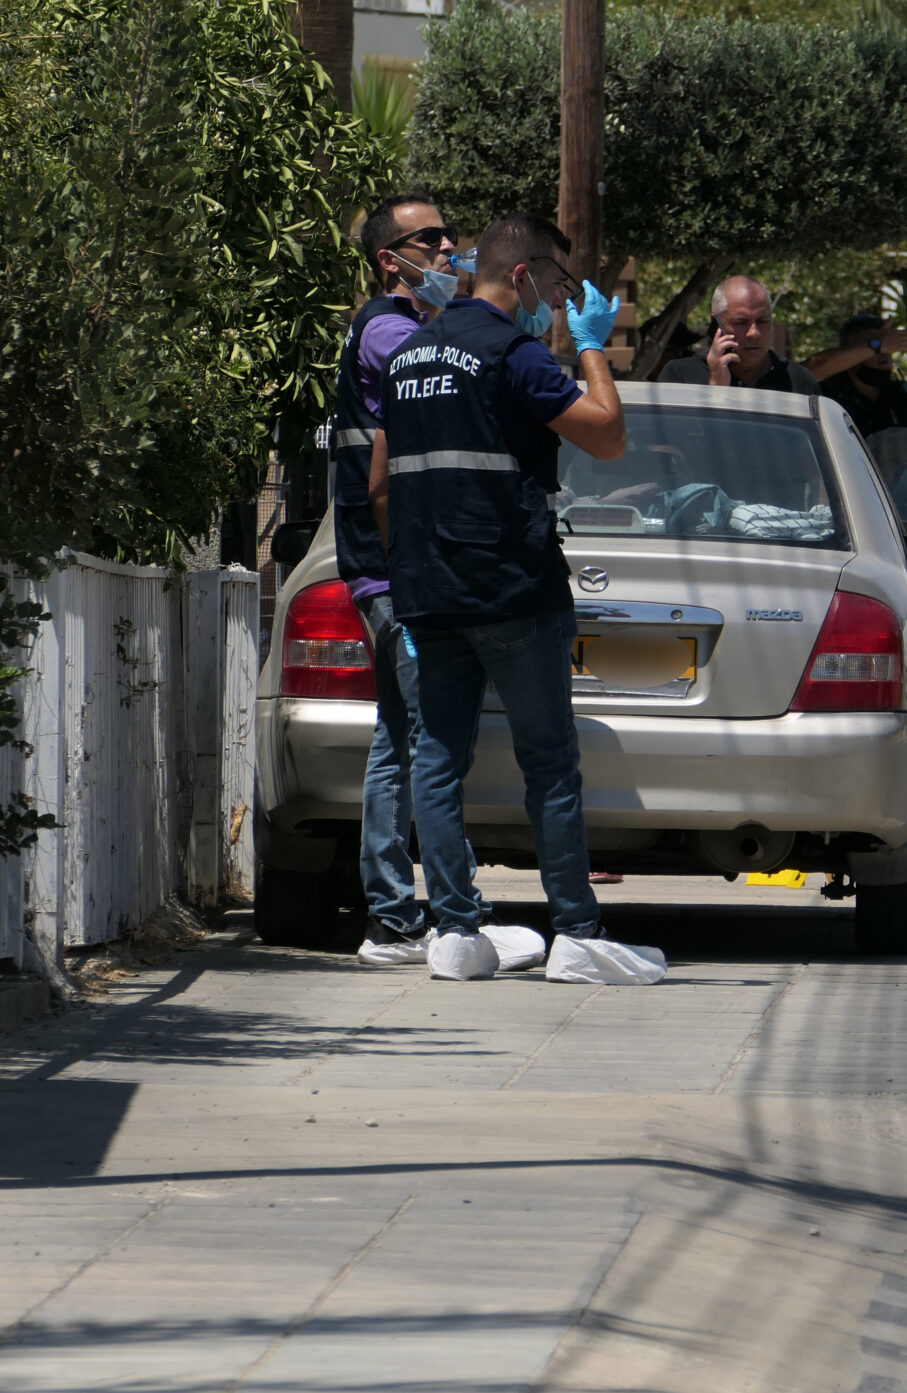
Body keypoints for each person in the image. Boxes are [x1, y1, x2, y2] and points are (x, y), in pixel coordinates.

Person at [369, 212, 667, 988]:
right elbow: (606, 435)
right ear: (526, 276)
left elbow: (379, 485)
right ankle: (576, 931)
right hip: (512, 589)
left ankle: (458, 931)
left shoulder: (406, 356)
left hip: (428, 594)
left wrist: (407, 578)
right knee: (550, 764)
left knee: (435, 760)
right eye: (561, 287)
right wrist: (595, 344)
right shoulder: (515, 351)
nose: (563, 303)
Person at [331, 193, 493, 967]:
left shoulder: (418, 328)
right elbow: (445, 384)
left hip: (397, 570)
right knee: (436, 740)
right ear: (391, 260)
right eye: (431, 239)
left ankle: (393, 918)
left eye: (451, 234)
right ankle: (450, 912)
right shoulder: (391, 331)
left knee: (400, 741)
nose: (450, 248)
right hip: (396, 573)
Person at [659, 275, 821, 395]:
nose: (754, 333)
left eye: (763, 321)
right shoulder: (680, 376)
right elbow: (675, 439)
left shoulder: (799, 380)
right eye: (741, 322)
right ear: (717, 324)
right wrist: (716, 386)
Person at [820, 312, 907, 438]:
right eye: (874, 344)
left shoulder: (898, 393)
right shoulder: (828, 395)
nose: (884, 352)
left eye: (888, 345)